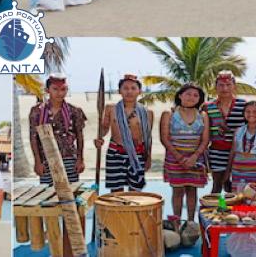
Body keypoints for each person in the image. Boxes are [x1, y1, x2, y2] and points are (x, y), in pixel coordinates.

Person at [161, 83, 209, 231]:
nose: (191, 97)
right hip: (175, 159)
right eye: (188, 94)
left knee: (192, 190)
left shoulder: (203, 115)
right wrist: (179, 157)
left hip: (196, 159)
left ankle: (190, 223)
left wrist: (195, 156)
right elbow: (165, 138)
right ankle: (176, 222)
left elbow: (205, 139)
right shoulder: (169, 114)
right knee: (177, 191)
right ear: (180, 95)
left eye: (196, 95)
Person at [95, 74, 154, 192]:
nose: (129, 91)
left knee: (135, 190)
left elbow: (147, 138)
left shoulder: (147, 112)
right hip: (115, 153)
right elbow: (105, 128)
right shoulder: (111, 108)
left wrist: (148, 157)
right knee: (116, 190)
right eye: (125, 88)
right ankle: (117, 211)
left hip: (137, 153)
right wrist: (99, 138)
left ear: (139, 91)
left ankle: (133, 211)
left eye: (133, 88)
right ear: (119, 91)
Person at [29, 73, 86, 185]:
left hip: (69, 158)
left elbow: (80, 136)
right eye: (55, 89)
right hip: (46, 159)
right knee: (47, 194)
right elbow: (33, 138)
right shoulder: (37, 111)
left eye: (63, 89)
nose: (60, 93)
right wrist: (37, 162)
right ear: (47, 90)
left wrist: (80, 159)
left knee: (70, 193)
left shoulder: (75, 111)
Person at [201, 71, 247, 194]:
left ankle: (237, 212)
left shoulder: (244, 105)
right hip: (217, 152)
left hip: (240, 152)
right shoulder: (207, 106)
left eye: (228, 84)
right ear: (215, 87)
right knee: (217, 185)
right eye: (221, 85)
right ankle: (214, 211)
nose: (224, 88)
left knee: (236, 187)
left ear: (234, 86)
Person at [224, 101, 256, 189]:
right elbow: (233, 153)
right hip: (239, 171)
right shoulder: (238, 131)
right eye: (247, 111)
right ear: (243, 114)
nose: (251, 114)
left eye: (255, 111)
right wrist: (227, 172)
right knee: (239, 198)